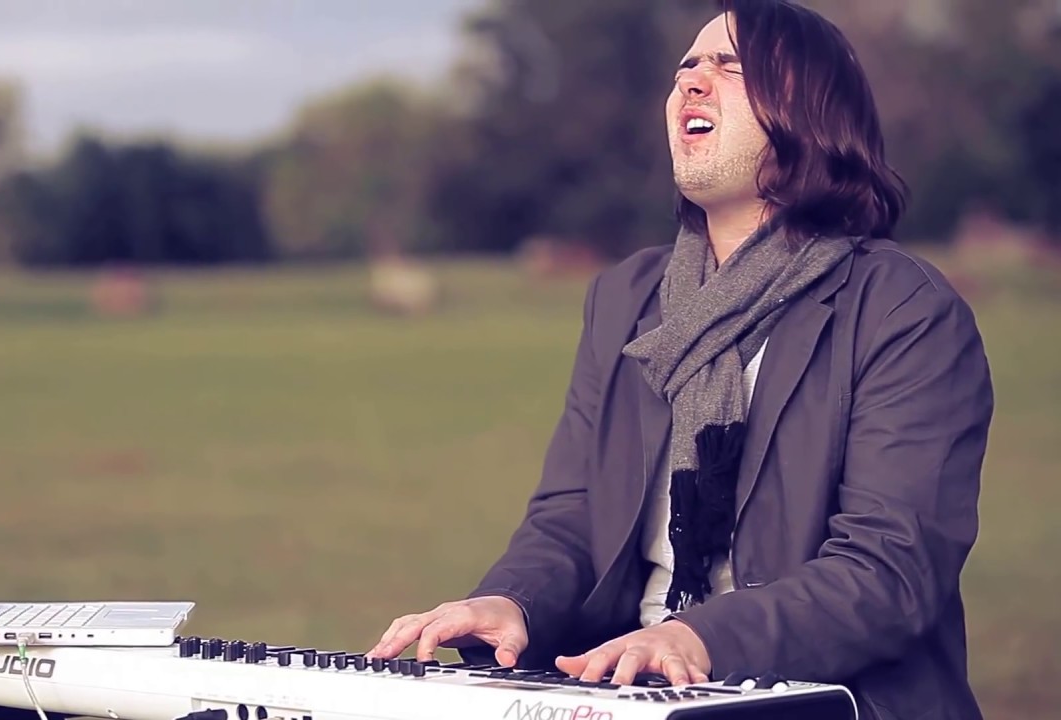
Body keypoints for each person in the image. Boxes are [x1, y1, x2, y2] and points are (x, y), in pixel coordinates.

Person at [365, 1, 994, 718]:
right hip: (634, 687)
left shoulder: (902, 309)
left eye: (730, 67)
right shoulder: (625, 297)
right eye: (686, 66)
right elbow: (574, 515)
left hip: (829, 697)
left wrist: (697, 637)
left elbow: (890, 569)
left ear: (811, 111)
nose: (692, 80)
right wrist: (512, 602)